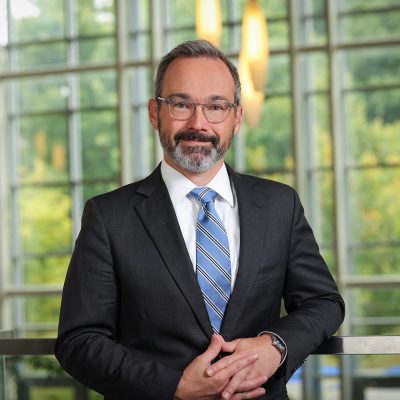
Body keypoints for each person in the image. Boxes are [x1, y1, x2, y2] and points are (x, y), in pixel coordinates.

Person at [55, 39, 345, 400]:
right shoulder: (109, 217)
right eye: (180, 104)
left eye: (216, 106)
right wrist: (174, 387)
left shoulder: (278, 205)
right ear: (154, 113)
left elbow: (324, 303)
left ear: (236, 118)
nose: (199, 123)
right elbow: (78, 341)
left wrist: (275, 346)